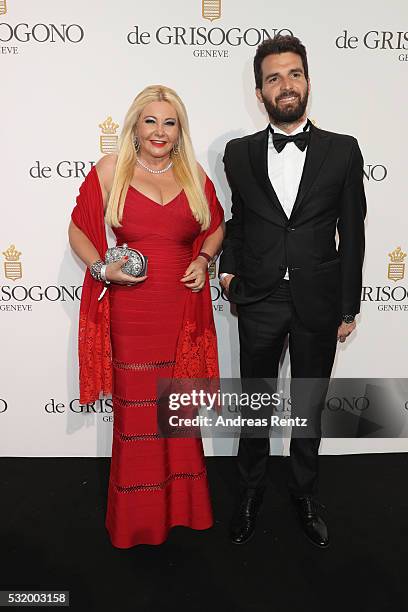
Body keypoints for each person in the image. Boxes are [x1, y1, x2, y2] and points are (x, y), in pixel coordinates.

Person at [219, 35, 366, 547]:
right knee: (255, 401)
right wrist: (227, 274)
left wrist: (349, 303)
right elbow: (237, 223)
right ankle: (250, 489)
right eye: (273, 78)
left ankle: (304, 492)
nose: (286, 85)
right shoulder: (238, 154)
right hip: (258, 297)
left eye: (294, 74)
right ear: (259, 92)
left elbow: (354, 230)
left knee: (308, 401)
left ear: (307, 80)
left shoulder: (343, 150)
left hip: (319, 300)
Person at [69, 85, 224, 548]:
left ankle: (182, 513)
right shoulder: (111, 170)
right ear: (135, 125)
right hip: (132, 314)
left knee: (176, 416)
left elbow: (215, 226)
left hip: (181, 313)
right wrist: (101, 268)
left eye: (169, 122)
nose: (159, 131)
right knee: (137, 418)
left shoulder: (193, 173)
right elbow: (79, 228)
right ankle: (137, 521)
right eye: (151, 120)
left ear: (180, 131)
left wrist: (203, 260)